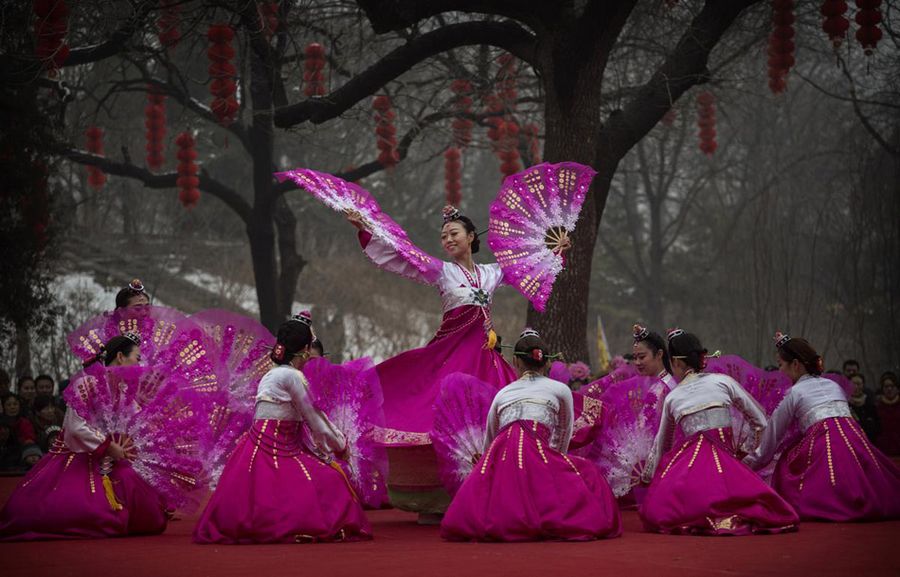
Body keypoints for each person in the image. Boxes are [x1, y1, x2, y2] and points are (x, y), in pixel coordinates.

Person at [346, 206, 527, 448]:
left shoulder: (491, 273)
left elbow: (524, 265)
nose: (448, 240)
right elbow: (403, 255)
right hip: (452, 351)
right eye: (444, 237)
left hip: (485, 354)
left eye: (454, 234)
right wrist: (365, 228)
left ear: (471, 236)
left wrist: (554, 250)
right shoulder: (443, 271)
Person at [193, 313, 371, 544]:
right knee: (332, 479)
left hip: (256, 446)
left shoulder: (273, 374)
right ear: (305, 349)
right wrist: (340, 445)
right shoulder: (293, 377)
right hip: (279, 448)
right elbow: (314, 418)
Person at [440, 329, 621, 542]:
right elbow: (564, 432)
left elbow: (491, 438)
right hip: (538, 447)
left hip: (502, 453)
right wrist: (554, 462)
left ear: (516, 361)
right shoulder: (559, 390)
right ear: (546, 363)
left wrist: (488, 465)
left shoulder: (503, 393)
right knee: (587, 472)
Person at [0, 333, 169, 540]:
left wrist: (159, 434)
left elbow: (135, 422)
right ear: (120, 357)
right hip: (78, 455)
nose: (139, 363)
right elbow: (74, 427)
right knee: (82, 512)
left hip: (109, 456)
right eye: (136, 357)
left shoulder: (122, 390)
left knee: (145, 505)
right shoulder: (87, 383)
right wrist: (107, 445)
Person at [639, 329, 798, 535]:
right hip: (726, 462)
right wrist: (749, 456)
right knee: (757, 504)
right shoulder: (722, 382)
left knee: (663, 510)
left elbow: (663, 445)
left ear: (676, 362)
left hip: (689, 471)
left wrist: (651, 477)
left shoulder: (673, 397)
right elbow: (760, 421)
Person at [746, 334, 900, 521]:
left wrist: (748, 463)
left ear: (795, 365)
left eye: (780, 365)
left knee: (788, 466)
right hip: (854, 439)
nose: (780, 372)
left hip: (823, 443)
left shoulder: (795, 392)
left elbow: (772, 434)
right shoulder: (833, 385)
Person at [631, 324, 675, 390]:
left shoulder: (669, 386)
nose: (637, 363)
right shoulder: (642, 385)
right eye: (635, 358)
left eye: (642, 357)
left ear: (659, 354)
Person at [848, 373, 881, 440]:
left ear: (863, 385)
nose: (856, 387)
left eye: (858, 384)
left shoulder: (870, 402)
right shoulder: (845, 403)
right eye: (853, 384)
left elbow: (877, 425)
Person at [875, 371, 900, 457]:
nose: (889, 389)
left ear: (897, 388)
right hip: (883, 450)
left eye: (892, 386)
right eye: (886, 386)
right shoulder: (877, 406)